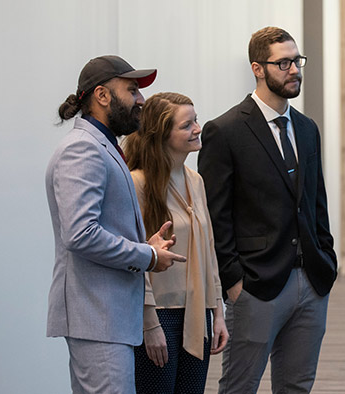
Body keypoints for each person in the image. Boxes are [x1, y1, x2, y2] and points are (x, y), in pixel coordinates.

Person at [198, 26, 338, 393]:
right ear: (257, 68)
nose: (295, 70)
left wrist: (326, 257)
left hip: (311, 281)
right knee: (239, 387)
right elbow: (217, 215)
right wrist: (233, 283)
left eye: (297, 61)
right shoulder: (224, 131)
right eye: (284, 63)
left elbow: (316, 202)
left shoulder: (307, 129)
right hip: (256, 286)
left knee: (297, 387)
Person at [46, 55, 187, 393]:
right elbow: (80, 234)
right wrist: (147, 256)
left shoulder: (101, 146)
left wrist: (145, 244)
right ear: (102, 95)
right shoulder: (83, 149)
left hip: (107, 319)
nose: (141, 101)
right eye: (133, 90)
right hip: (97, 318)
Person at [124, 92, 230, 393]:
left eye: (195, 121)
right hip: (160, 314)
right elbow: (135, 256)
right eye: (187, 125)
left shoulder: (195, 180)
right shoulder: (137, 183)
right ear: (162, 134)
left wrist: (217, 312)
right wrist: (149, 324)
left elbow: (208, 250)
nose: (198, 129)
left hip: (198, 313)